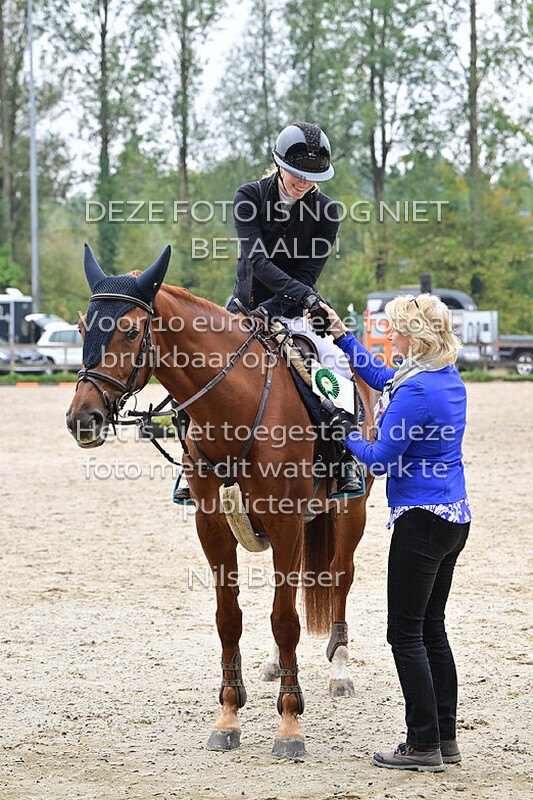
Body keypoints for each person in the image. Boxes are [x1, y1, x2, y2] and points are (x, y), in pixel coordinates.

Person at [315, 293, 471, 773]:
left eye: (395, 330)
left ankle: (421, 744)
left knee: (404, 635)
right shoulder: (440, 377)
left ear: (415, 337)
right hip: (453, 517)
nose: (389, 336)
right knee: (432, 629)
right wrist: (343, 337)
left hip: (421, 522)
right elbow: (382, 377)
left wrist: (344, 431)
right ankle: (444, 738)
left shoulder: (416, 391)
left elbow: (380, 460)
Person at [174, 122, 360, 502]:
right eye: (296, 174)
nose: (303, 183)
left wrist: (288, 305)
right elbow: (257, 262)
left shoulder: (326, 212)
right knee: (192, 373)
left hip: (292, 311)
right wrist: (279, 305)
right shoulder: (249, 196)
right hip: (242, 309)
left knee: (333, 365)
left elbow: (308, 273)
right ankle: (188, 464)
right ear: (278, 164)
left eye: (312, 177)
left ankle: (344, 459)